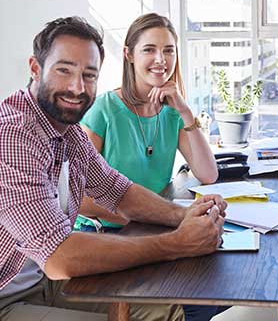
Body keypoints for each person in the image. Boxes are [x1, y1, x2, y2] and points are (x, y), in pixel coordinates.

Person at [0, 16, 227, 321]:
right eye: (64, 70)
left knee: (166, 312)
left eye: (89, 75)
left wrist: (187, 215)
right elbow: (59, 256)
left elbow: (119, 191)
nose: (77, 87)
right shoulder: (14, 135)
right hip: (9, 295)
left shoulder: (68, 132)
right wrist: (177, 243)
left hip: (43, 280)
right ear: (35, 68)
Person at [75, 12, 218, 233]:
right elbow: (78, 196)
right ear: (129, 54)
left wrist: (186, 112)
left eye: (168, 50)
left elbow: (208, 174)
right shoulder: (103, 110)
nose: (161, 60)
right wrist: (144, 217)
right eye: (149, 49)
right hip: (105, 231)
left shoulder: (173, 112)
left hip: (153, 225)